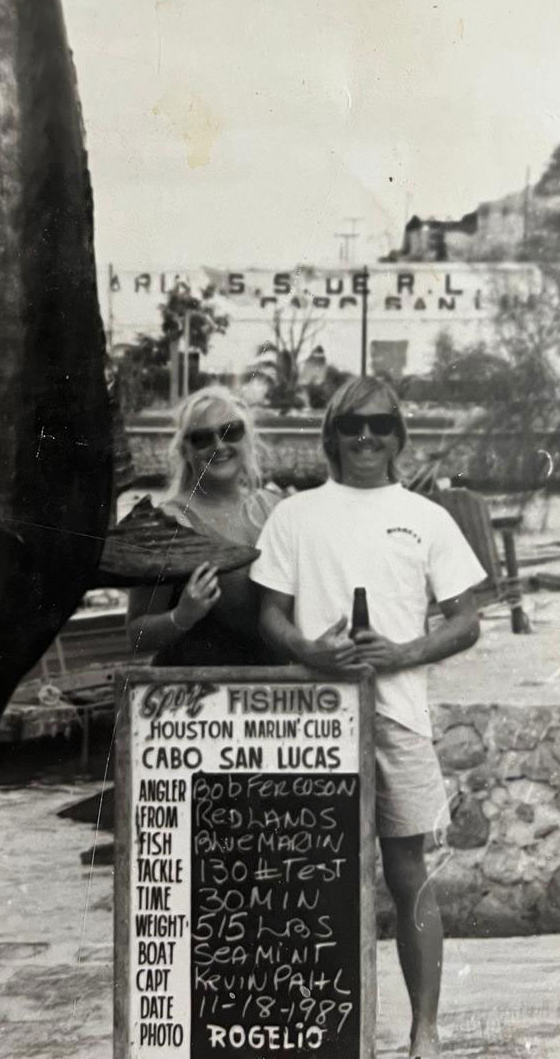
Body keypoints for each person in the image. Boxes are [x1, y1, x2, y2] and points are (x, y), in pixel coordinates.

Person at [252, 375, 484, 1059]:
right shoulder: (294, 515)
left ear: (398, 435)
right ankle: (322, 1031)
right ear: (331, 435)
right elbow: (269, 612)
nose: (366, 438)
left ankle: (425, 1028)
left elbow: (467, 621)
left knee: (408, 870)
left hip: (398, 715)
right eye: (352, 425)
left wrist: (403, 650)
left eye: (381, 425)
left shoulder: (427, 516)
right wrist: (307, 649)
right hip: (313, 719)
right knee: (316, 875)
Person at [126, 388, 282, 665]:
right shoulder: (167, 523)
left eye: (230, 431)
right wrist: (182, 616)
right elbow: (136, 636)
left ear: (248, 437)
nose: (218, 446)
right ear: (185, 450)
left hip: (270, 697)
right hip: (193, 698)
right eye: (201, 438)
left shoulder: (276, 510)